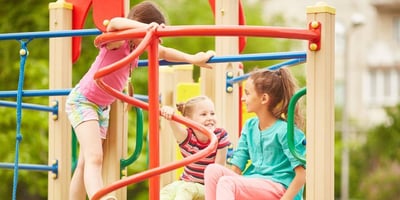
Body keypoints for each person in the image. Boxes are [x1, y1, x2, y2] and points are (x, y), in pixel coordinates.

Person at [65, 1, 215, 200]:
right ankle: (100, 197)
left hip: (101, 107)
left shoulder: (135, 49)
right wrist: (147, 29)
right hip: (83, 101)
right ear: (137, 24)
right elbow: (115, 23)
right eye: (148, 36)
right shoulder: (118, 41)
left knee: (86, 161)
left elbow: (163, 52)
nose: (150, 42)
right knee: (94, 157)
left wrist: (193, 59)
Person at [204, 67, 306, 200]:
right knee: (212, 170)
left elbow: (302, 174)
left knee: (226, 182)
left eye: (247, 93)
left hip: (279, 188)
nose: (242, 98)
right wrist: (235, 188)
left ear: (264, 98)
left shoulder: (284, 131)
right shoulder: (250, 126)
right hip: (255, 183)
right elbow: (237, 166)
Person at [160, 95, 231, 200]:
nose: (210, 118)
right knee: (166, 191)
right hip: (185, 182)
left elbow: (217, 170)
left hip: (207, 187)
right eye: (203, 114)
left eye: (212, 113)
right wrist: (168, 111)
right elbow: (173, 123)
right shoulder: (187, 137)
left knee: (187, 189)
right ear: (189, 120)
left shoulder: (220, 136)